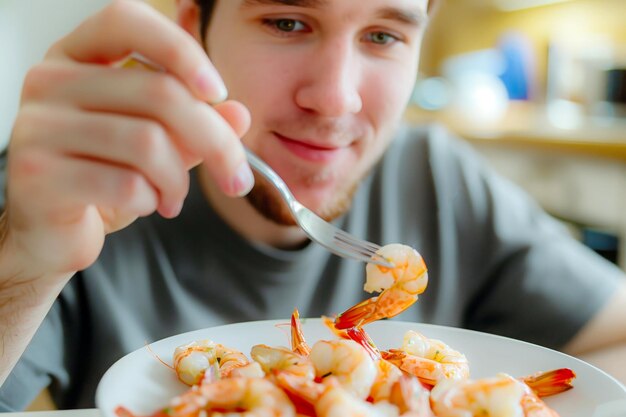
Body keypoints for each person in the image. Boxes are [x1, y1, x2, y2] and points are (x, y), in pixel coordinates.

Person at [0, 0, 625, 411]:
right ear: (194, 31)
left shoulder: (440, 176)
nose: (335, 99)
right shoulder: (64, 187)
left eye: (383, 35)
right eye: (287, 21)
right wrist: (24, 267)